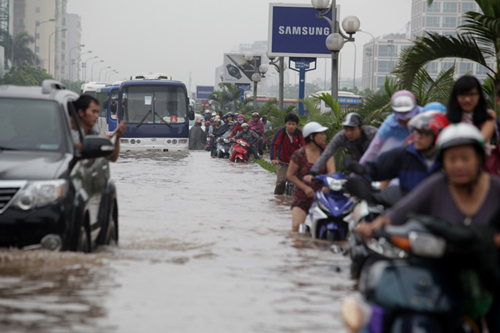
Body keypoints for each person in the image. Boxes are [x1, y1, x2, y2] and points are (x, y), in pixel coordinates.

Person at [355, 123, 500, 331]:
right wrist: (370, 228)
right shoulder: (436, 185)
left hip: (487, 274)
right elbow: (398, 213)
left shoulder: (496, 189)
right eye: (452, 159)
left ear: (479, 158)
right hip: (442, 271)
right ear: (443, 162)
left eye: (466, 158)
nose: (459, 165)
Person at [362, 111, 449, 193]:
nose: (418, 137)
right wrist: (360, 176)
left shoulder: (448, 160)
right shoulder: (404, 154)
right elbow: (373, 168)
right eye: (416, 131)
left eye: (424, 133)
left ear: (438, 136)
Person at [287, 122, 336, 231]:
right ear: (312, 137)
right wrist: (305, 188)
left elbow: (331, 172)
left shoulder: (327, 152)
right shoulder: (299, 154)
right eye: (321, 134)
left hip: (323, 196)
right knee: (296, 228)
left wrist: (326, 184)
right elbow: (290, 175)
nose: (325, 136)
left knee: (324, 229)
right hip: (302, 196)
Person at [305, 113, 377, 182]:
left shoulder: (373, 133)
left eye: (352, 129)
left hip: (378, 163)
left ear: (360, 127)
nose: (349, 133)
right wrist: (312, 172)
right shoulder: (341, 137)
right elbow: (326, 154)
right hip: (359, 166)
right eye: (346, 129)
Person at [359, 90, 422, 164]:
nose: (405, 119)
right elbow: (375, 147)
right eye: (401, 116)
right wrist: (360, 169)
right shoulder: (390, 123)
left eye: (408, 115)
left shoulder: (427, 115)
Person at [73, 94, 125, 162]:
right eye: (93, 112)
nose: (96, 116)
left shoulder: (93, 132)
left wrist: (117, 137)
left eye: (97, 112)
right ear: (81, 112)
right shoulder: (68, 131)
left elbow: (112, 158)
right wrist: (97, 141)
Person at [447, 75, 496, 144]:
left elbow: (481, 140)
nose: (467, 99)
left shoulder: (489, 115)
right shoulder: (447, 116)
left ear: (479, 95)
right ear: (455, 96)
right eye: (462, 94)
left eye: (472, 94)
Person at [270, 113, 306, 195]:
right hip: (282, 160)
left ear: (296, 125)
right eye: (289, 124)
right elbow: (274, 145)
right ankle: (278, 201)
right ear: (285, 124)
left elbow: (306, 147)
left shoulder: (300, 133)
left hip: (295, 161)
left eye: (293, 124)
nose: (291, 126)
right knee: (281, 181)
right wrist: (273, 159)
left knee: (300, 182)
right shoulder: (281, 132)